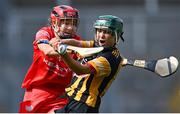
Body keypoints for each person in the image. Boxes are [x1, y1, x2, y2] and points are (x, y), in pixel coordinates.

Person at [54, 15, 125, 113]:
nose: (101, 35)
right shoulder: (98, 46)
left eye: (107, 32)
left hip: (84, 106)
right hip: (72, 100)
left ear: (116, 36)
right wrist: (60, 41)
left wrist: (63, 54)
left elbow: (80, 70)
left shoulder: (109, 59)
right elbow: (78, 43)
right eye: (99, 31)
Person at [19, 5, 81, 113]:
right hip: (35, 93)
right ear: (54, 23)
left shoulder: (76, 41)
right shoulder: (44, 33)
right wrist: (69, 50)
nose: (71, 28)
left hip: (60, 96)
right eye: (66, 23)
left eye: (73, 23)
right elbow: (47, 50)